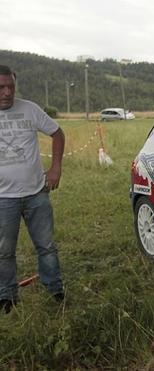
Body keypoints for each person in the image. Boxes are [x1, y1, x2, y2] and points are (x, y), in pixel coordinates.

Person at [0, 65, 66, 314]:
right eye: (1, 87)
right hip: (3, 198)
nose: (7, 93)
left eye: (11, 87)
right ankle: (6, 296)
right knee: (4, 251)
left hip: (36, 193)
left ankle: (54, 288)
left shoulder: (30, 109)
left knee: (46, 245)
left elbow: (57, 133)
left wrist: (55, 168)